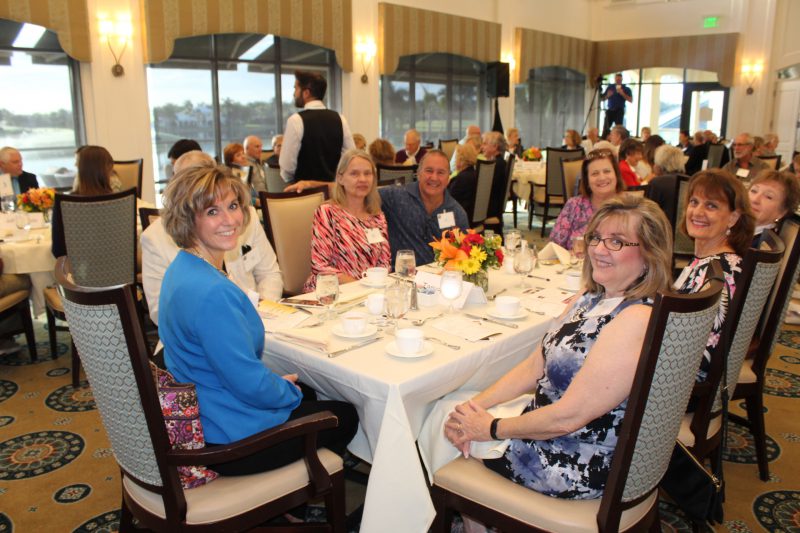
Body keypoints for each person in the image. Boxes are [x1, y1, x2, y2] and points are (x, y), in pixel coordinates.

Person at [444, 195, 672, 510]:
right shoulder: (592, 296)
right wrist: (474, 407)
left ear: (649, 253)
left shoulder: (635, 318)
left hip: (573, 459)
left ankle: (469, 512)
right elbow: (534, 366)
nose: (598, 249)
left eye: (617, 242)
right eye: (596, 237)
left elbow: (568, 417)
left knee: (441, 423)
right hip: (551, 430)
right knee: (456, 408)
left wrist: (491, 427)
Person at [158, 163, 357, 475]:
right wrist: (286, 391)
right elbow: (248, 384)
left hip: (209, 408)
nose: (230, 220)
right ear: (188, 219)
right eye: (212, 211)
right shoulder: (211, 292)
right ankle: (298, 490)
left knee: (308, 389)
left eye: (233, 206)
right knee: (345, 414)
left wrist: (281, 387)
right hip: (229, 439)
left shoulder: (181, 268)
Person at [142, 155, 283, 324]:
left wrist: (261, 314)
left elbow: (269, 273)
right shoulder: (154, 238)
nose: (229, 220)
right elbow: (161, 312)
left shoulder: (245, 217)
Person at [674, 169, 754, 383]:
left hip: (679, 384)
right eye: (694, 202)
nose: (697, 212)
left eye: (711, 206)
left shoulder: (723, 272)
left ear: (733, 218)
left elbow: (703, 356)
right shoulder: (707, 260)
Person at [303, 150, 390, 292]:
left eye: (367, 173)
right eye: (354, 174)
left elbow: (384, 263)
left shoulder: (377, 216)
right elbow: (319, 266)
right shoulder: (327, 212)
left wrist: (373, 288)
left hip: (369, 291)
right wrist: (359, 287)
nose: (362, 179)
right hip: (330, 292)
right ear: (340, 178)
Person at [379, 150, 469, 265]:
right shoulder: (396, 197)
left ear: (448, 178)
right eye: (429, 170)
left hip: (440, 274)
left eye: (441, 172)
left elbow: (465, 255)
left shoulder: (457, 213)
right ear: (418, 173)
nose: (434, 177)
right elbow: (365, 197)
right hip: (401, 274)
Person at [279, 70, 355, 184]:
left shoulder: (295, 120)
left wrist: (290, 180)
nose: (294, 94)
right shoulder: (340, 118)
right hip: (333, 189)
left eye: (296, 88)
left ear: (306, 93)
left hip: (304, 190)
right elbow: (350, 156)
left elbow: (287, 167)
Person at [550, 149, 626, 250]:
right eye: (595, 173)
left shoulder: (630, 208)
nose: (602, 178)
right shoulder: (574, 205)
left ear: (616, 175)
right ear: (587, 181)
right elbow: (553, 247)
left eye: (607, 171)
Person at [52, 145, 117, 258]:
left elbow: (58, 250)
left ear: (80, 170)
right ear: (106, 171)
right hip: (119, 266)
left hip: (77, 268)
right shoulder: (119, 202)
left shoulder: (65, 204)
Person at [748, 170, 800, 244]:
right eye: (754, 191)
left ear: (782, 212)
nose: (755, 199)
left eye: (768, 197)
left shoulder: (764, 245)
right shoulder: (736, 226)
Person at [645, 144, 688, 226]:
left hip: (663, 229)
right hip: (684, 229)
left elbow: (648, 214)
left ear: (659, 164)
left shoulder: (657, 183)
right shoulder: (689, 181)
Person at [480, 132, 509, 220]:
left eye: (485, 144)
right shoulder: (499, 162)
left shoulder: (495, 165)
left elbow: (485, 189)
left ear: (495, 146)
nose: (481, 147)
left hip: (490, 208)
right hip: (494, 204)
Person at [447, 144, 479, 221]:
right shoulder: (474, 173)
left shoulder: (462, 178)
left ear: (462, 160)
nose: (455, 161)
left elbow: (449, 199)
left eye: (456, 158)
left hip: (459, 216)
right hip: (471, 213)